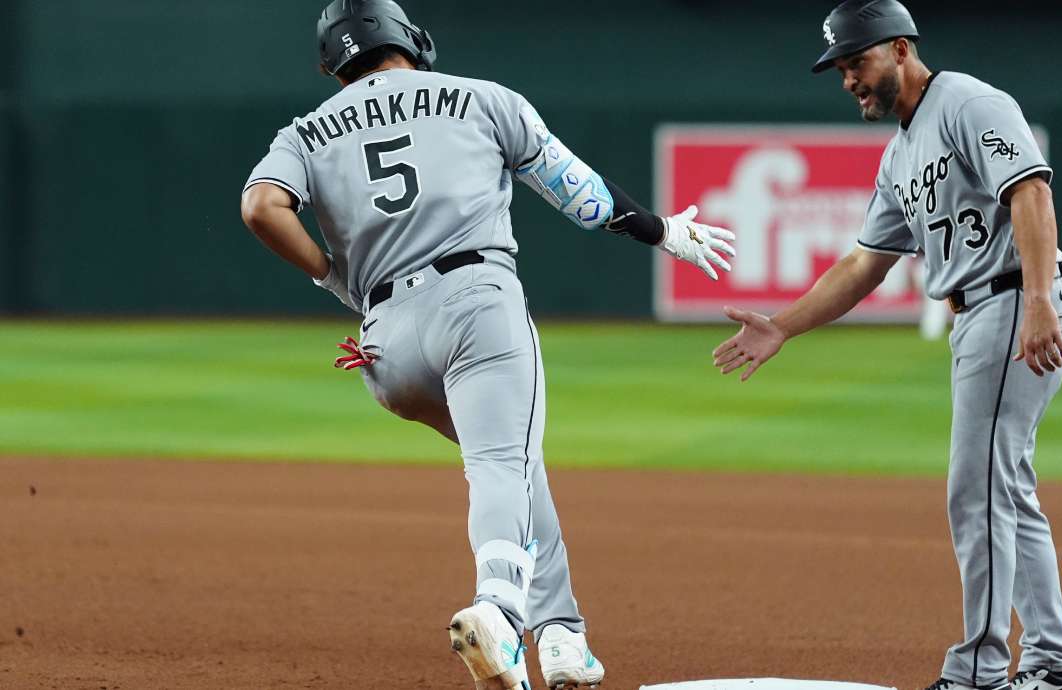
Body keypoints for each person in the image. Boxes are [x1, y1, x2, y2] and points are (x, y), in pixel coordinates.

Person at [239, 2, 735, 688]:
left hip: (384, 347)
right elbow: (583, 197)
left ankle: (563, 638)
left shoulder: (304, 133)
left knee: (515, 464)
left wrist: (331, 275)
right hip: (475, 303)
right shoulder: (479, 98)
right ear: (408, 39)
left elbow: (261, 206)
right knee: (503, 465)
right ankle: (499, 611)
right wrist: (664, 233)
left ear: (334, 64)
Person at [712, 2, 1062, 690]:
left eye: (858, 62)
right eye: (842, 69)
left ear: (901, 49)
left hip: (1010, 301)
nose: (849, 80)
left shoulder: (968, 103)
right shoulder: (899, 155)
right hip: (983, 314)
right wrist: (783, 326)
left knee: (974, 495)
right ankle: (1054, 665)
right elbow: (862, 267)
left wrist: (1036, 301)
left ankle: (979, 671)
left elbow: (1030, 192)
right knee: (1004, 492)